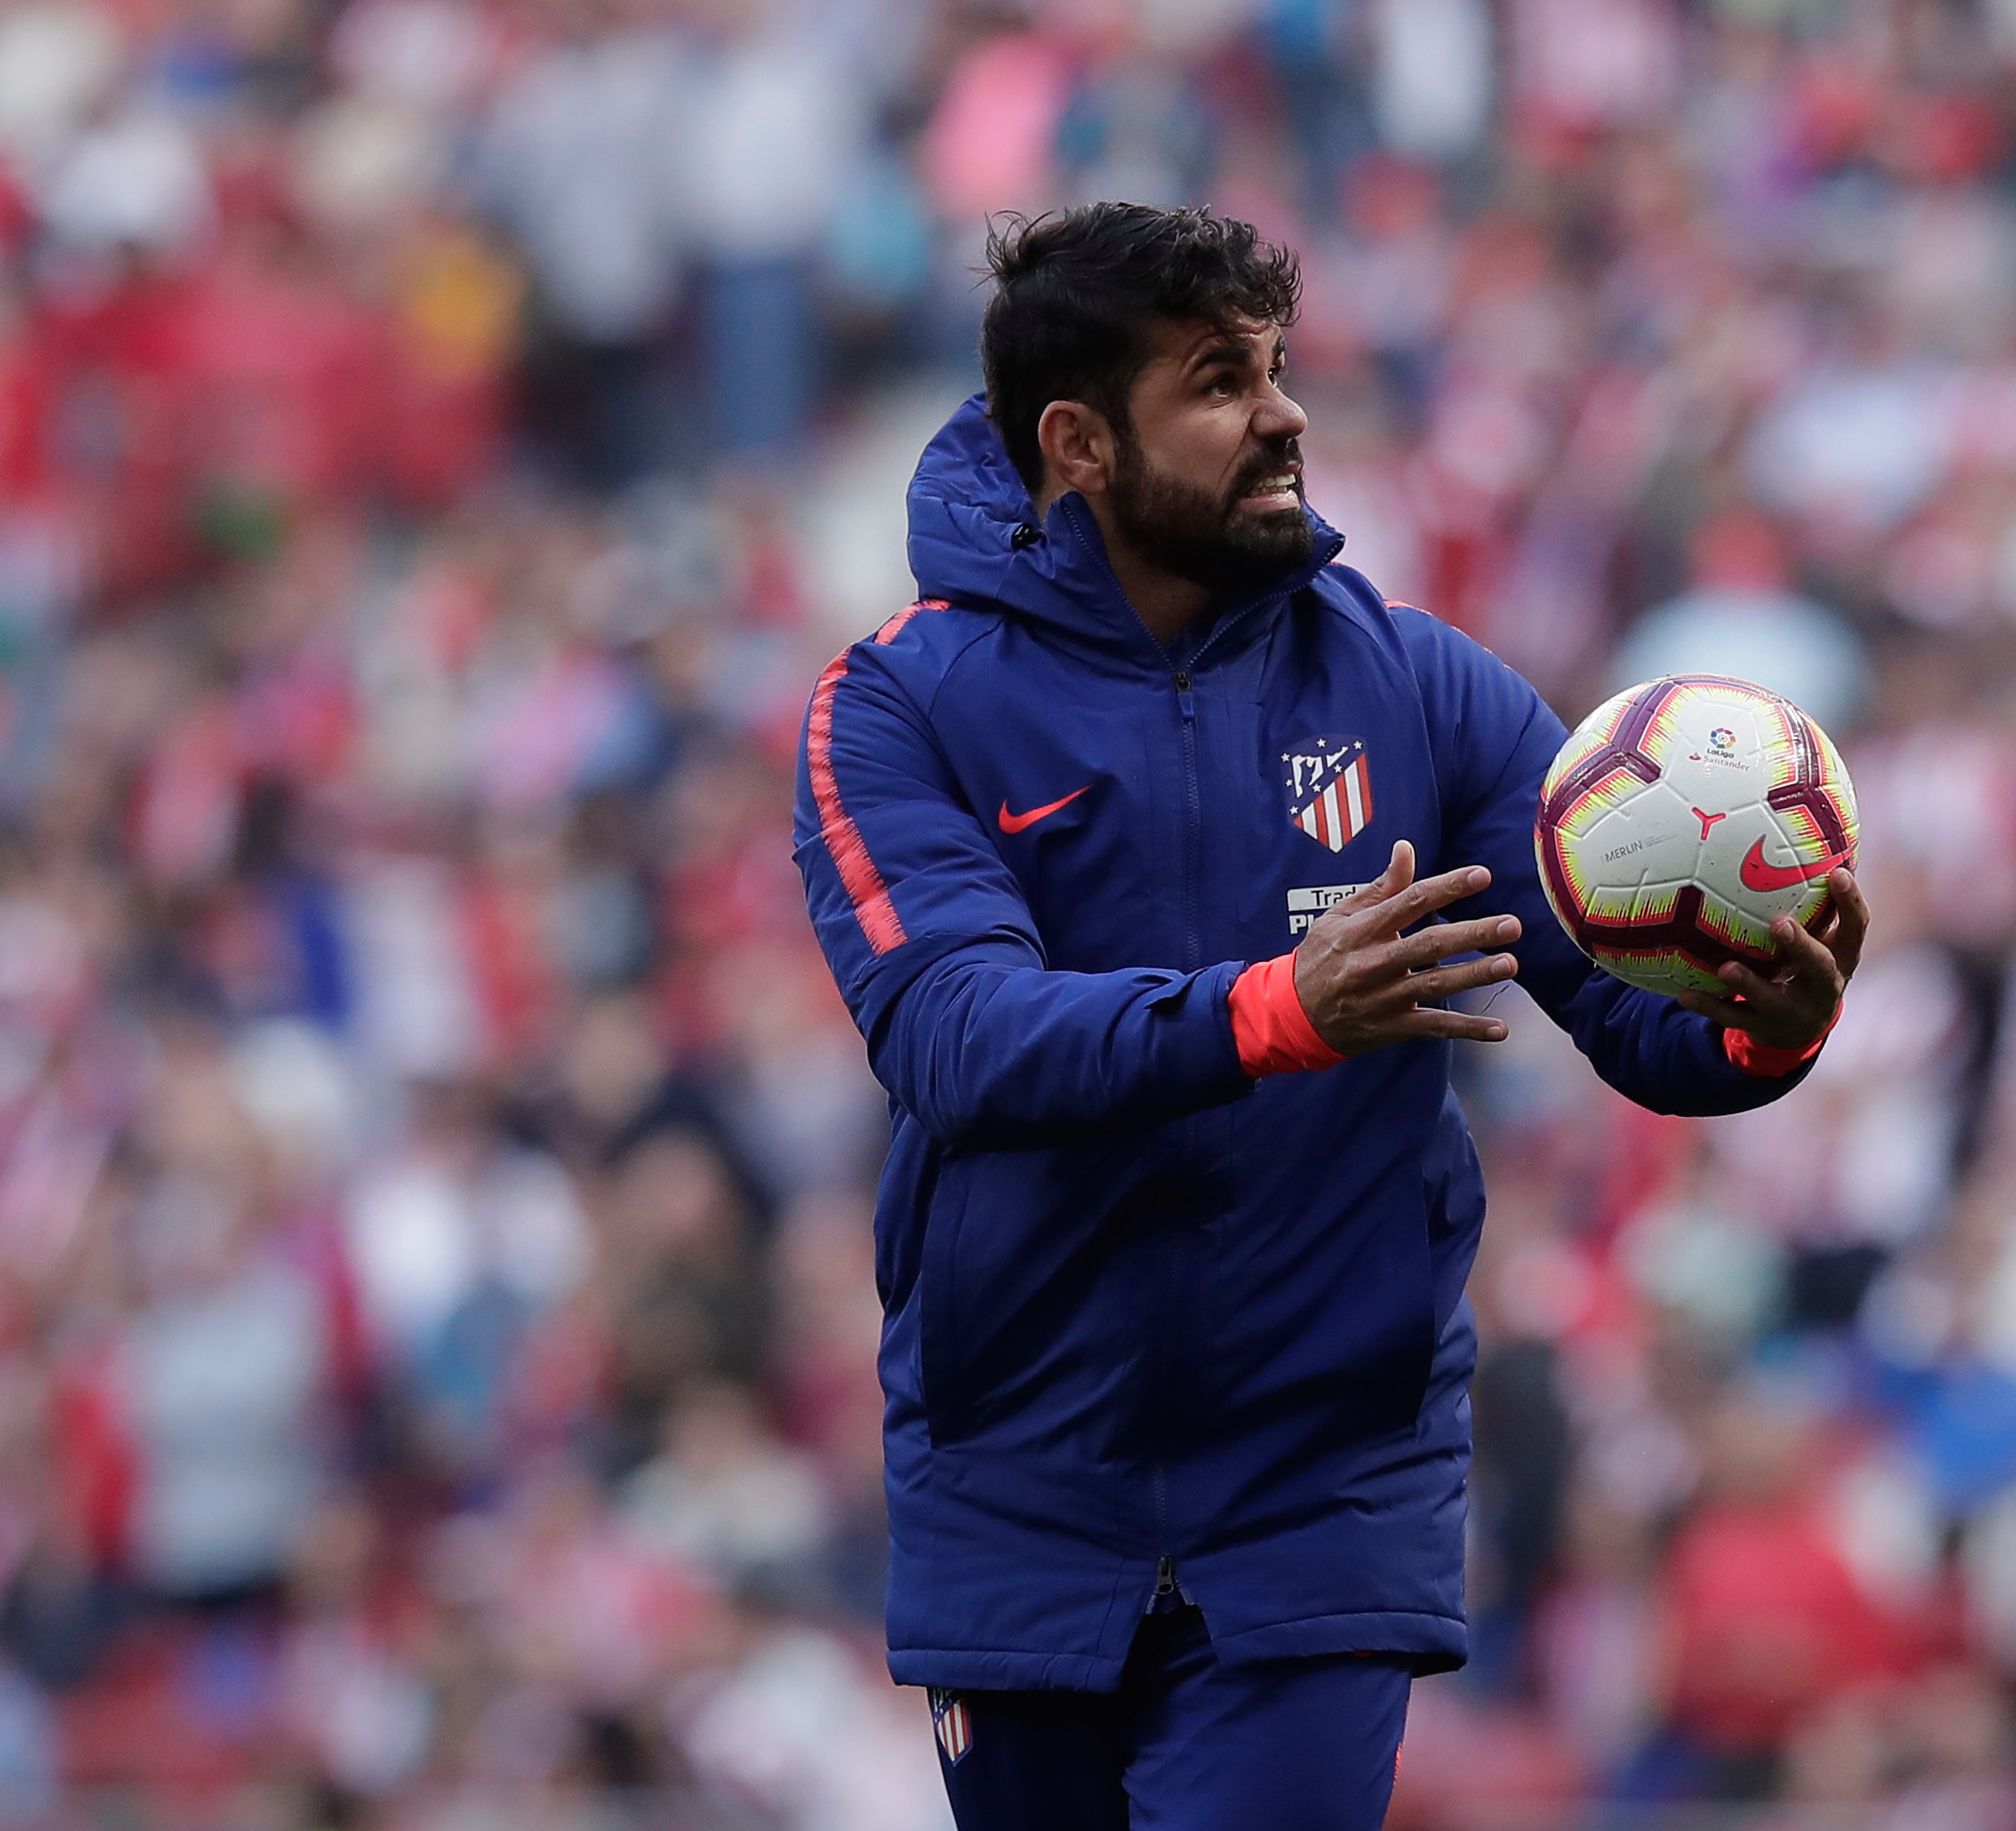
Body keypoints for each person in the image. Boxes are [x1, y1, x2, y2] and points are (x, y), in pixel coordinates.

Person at [792, 203, 1867, 1830]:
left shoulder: (1422, 689)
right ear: (1078, 442)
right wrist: (1278, 1010)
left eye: (1277, 370)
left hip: (1320, 1480)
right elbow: (955, 1035)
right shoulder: (895, 705)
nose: (1285, 413)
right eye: (1219, 383)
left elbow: (1621, 1017)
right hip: (1020, 1477)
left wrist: (1757, 1025)